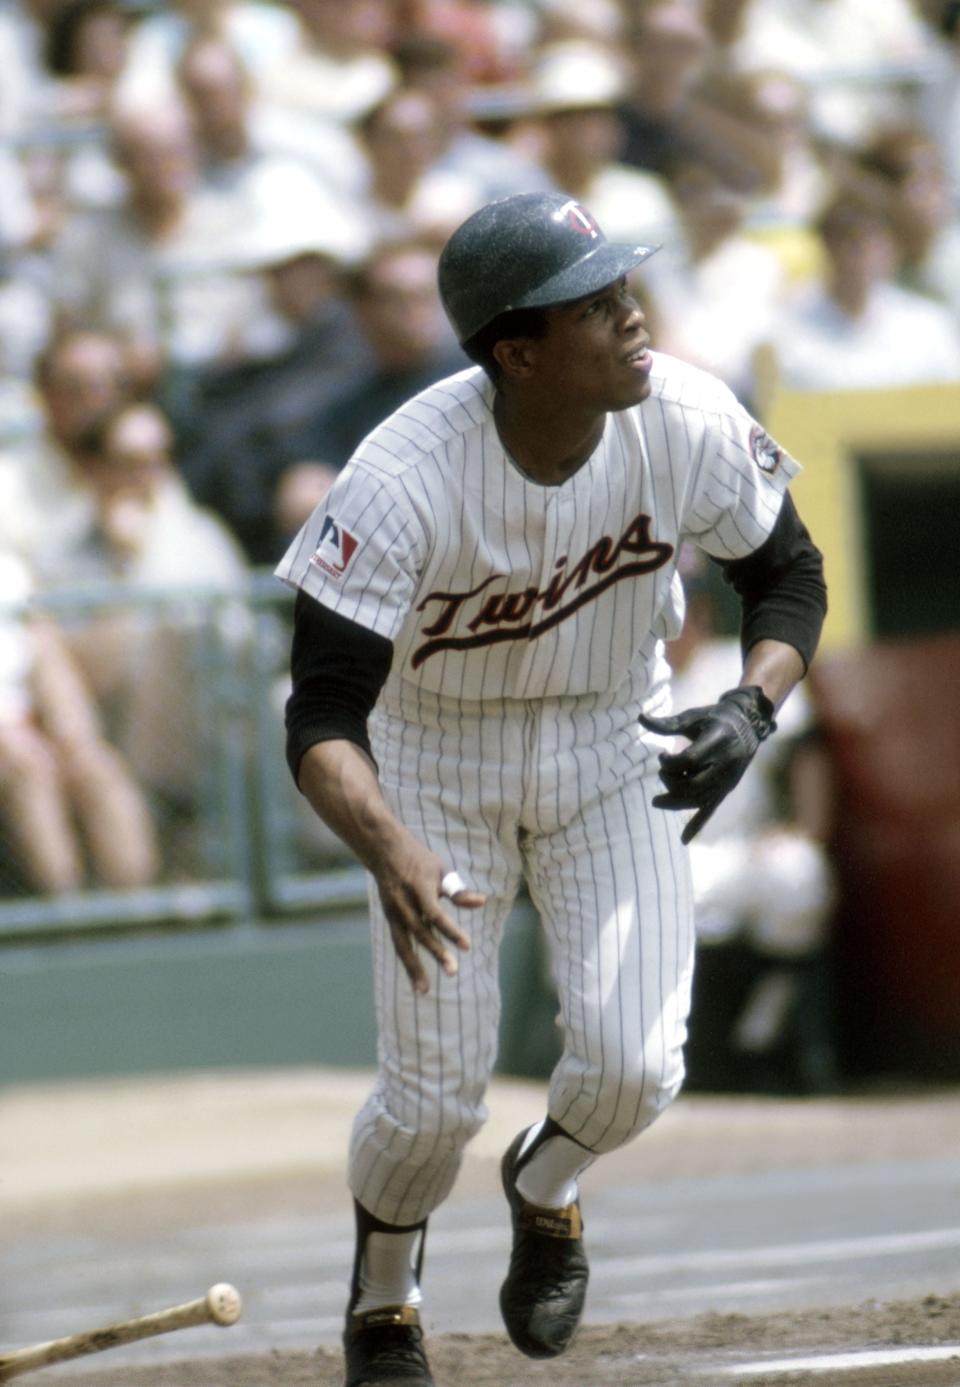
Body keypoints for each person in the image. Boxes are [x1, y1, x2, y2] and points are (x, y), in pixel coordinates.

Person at [275, 191, 827, 1386]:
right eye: (597, 306)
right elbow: (320, 712)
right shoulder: (402, 474)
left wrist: (749, 705)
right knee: (429, 1111)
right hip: (427, 760)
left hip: (607, 738)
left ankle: (547, 1182)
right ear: (517, 352)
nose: (634, 318)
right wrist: (389, 844)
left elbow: (789, 574)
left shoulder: (680, 413)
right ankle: (384, 1301)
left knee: (636, 1069)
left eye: (628, 290)